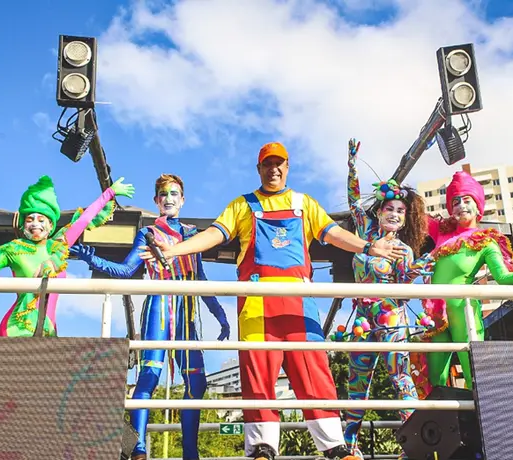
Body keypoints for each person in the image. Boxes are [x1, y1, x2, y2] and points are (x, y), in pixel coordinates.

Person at [140, 142, 404, 460]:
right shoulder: (242, 204)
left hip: (299, 300)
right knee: (257, 374)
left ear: (287, 167)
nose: (273, 169)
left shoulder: (304, 203)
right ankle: (262, 447)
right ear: (259, 169)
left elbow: (333, 233)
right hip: (256, 301)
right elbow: (213, 234)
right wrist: (175, 249)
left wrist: (367, 247)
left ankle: (335, 445)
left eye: (279, 163)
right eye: (267, 164)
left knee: (313, 369)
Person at [70, 173, 230, 460]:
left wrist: (220, 315)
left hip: (187, 312)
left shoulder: (194, 235)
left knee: (197, 383)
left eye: (174, 194)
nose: (169, 199)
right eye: (163, 194)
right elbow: (125, 270)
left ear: (183, 200)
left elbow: (201, 279)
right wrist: (90, 258)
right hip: (158, 306)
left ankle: (190, 453)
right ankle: (139, 448)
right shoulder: (148, 233)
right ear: (156, 201)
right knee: (149, 376)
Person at [412, 171, 513, 393]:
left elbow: (503, 279)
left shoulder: (486, 242)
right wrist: (396, 192)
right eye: (455, 201)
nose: (461, 206)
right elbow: (414, 214)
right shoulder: (441, 233)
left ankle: (481, 423)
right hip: (436, 314)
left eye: (466, 200)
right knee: (436, 379)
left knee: (474, 373)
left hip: (464, 310)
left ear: (479, 207)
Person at [0, 175, 134, 336]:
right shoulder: (11, 249)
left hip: (48, 330)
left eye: (41, 219)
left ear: (51, 225)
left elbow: (83, 221)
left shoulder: (58, 246)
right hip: (17, 328)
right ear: (23, 224)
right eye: (30, 219)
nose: (35, 223)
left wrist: (109, 193)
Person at [337, 138, 433, 456]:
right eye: (389, 208)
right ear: (379, 212)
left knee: (400, 379)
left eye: (400, 211)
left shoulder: (404, 250)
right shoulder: (364, 234)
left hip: (391, 315)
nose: (393, 214)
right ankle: (350, 447)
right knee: (356, 385)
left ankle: (414, 447)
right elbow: (353, 201)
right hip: (362, 318)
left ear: (406, 219)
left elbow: (404, 289)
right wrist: (352, 165)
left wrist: (419, 266)